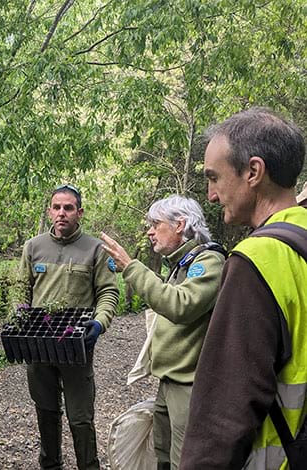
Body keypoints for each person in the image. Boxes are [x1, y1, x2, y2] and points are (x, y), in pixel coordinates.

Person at [179, 108, 307, 469]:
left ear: (253, 172)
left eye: (214, 178)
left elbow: (223, 414)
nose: (212, 195)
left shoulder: (256, 260)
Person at [100, 195, 225, 470]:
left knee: (185, 461)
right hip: (169, 382)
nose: (149, 231)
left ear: (180, 225)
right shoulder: (181, 262)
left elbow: (181, 305)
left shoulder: (209, 260)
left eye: (156, 223)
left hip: (189, 386)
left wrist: (131, 267)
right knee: (163, 457)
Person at [18, 184, 119, 470]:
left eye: (68, 208)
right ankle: (50, 464)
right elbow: (21, 290)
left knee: (80, 417)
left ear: (80, 212)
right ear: (49, 211)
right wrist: (19, 315)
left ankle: (89, 465)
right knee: (46, 411)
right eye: (56, 207)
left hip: (76, 346)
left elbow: (109, 292)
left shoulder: (95, 249)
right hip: (38, 345)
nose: (61, 213)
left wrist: (99, 323)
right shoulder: (33, 247)